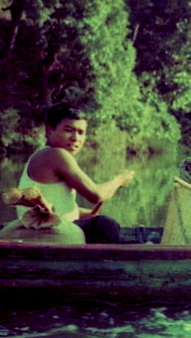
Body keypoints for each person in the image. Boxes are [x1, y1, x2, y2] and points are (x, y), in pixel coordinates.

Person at [16, 101, 135, 243]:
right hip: (49, 234)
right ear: (49, 131)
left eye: (81, 132)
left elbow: (58, 207)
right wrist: (119, 180)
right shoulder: (56, 154)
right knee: (105, 226)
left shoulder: (44, 154)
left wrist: (83, 213)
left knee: (107, 228)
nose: (75, 138)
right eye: (68, 130)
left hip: (53, 230)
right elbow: (96, 195)